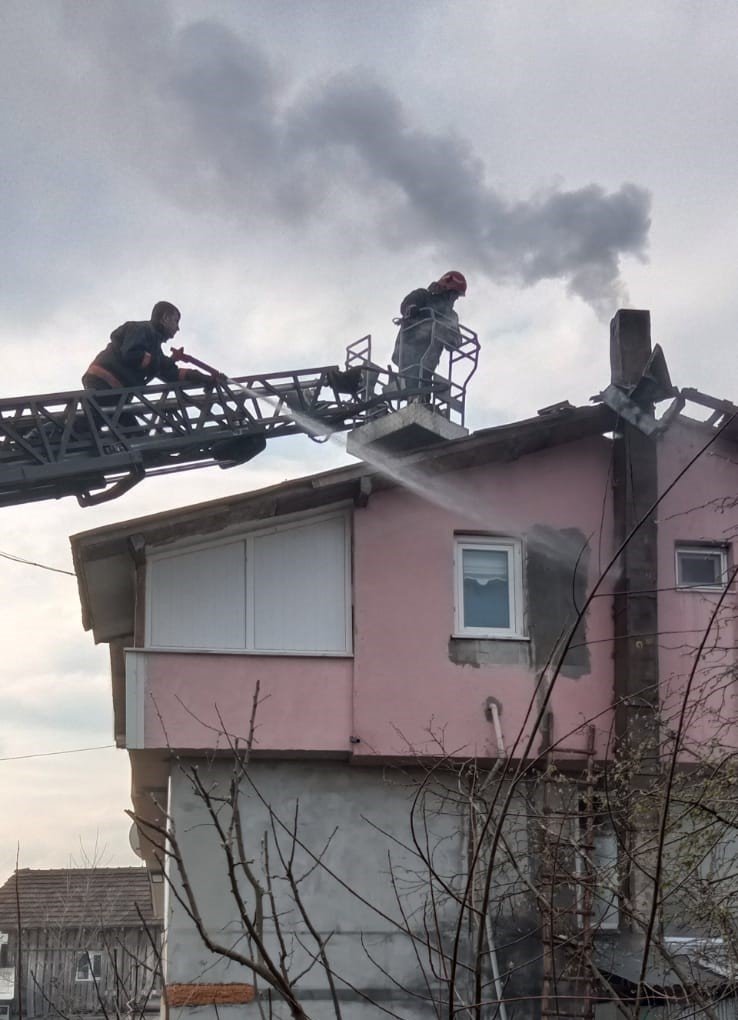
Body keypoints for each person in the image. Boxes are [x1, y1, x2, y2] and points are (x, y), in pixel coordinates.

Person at [82, 301, 214, 433]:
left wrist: (197, 376)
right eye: (176, 321)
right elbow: (131, 355)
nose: (177, 328)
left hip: (115, 393)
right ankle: (72, 430)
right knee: (129, 435)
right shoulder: (141, 329)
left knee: (133, 435)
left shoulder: (154, 347)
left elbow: (170, 374)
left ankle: (73, 432)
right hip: (105, 382)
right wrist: (162, 362)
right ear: (165, 318)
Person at [391, 270, 467, 394]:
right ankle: (410, 396)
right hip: (409, 351)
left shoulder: (451, 316)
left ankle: (420, 401)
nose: (455, 298)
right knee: (412, 382)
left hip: (428, 361)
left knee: (423, 390)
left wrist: (455, 340)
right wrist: (412, 309)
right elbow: (406, 305)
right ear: (445, 288)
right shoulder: (422, 296)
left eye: (457, 295)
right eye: (454, 294)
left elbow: (455, 339)